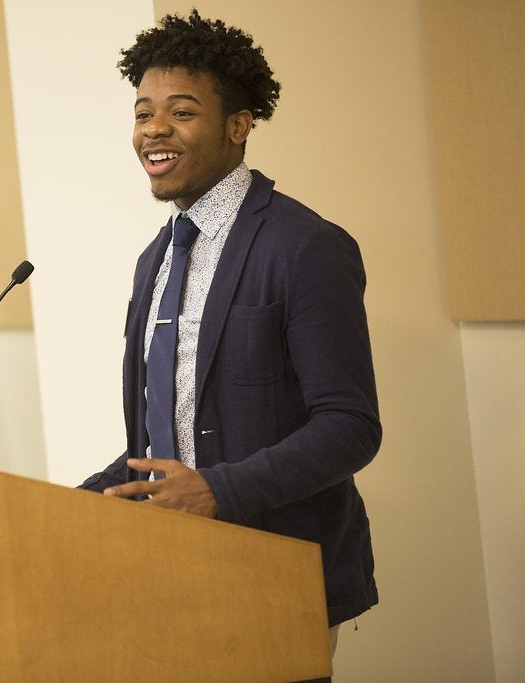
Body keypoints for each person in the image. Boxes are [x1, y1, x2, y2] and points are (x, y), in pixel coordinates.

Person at [79, 11, 381, 651]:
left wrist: (219, 490)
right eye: (142, 112)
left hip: (278, 567)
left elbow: (350, 427)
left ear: (239, 126)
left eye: (182, 112)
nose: (154, 129)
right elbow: (169, 434)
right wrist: (81, 502)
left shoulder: (306, 248)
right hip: (169, 568)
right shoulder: (153, 261)